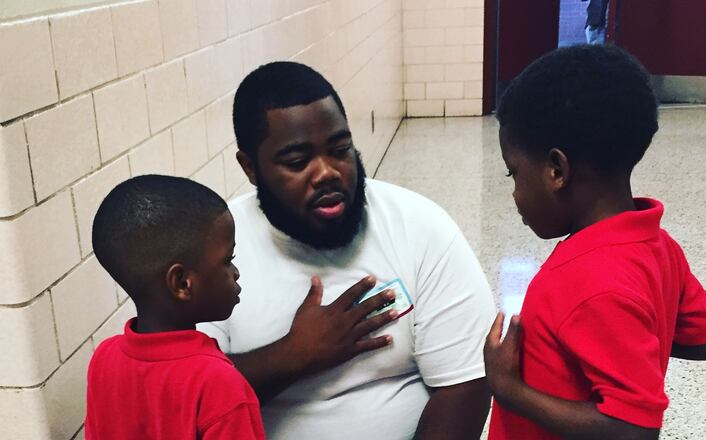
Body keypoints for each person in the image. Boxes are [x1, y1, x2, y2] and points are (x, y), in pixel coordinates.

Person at [197, 61, 496, 440]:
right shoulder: (213, 249)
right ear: (251, 168)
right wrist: (293, 355)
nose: (327, 172)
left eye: (340, 149)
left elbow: (465, 383)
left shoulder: (420, 227)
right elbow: (187, 394)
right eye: (297, 161)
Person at [484, 45, 706, 439]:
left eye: (513, 174)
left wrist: (510, 390)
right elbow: (703, 339)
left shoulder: (587, 282)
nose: (514, 194)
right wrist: (630, 343)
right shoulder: (660, 246)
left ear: (556, 170)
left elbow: (635, 430)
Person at [85, 175, 265, 439]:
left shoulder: (104, 358)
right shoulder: (217, 385)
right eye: (228, 260)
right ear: (182, 283)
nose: (236, 273)